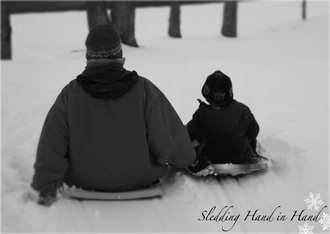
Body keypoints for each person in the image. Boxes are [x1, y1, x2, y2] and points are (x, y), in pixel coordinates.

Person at [31, 24, 196, 206]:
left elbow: (51, 143)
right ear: (118, 54)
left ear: (89, 56)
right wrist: (188, 155)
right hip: (139, 181)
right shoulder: (144, 91)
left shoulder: (70, 95)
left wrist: (46, 186)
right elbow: (178, 150)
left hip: (84, 181)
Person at [186, 70, 261, 176]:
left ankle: (198, 162)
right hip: (242, 156)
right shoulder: (243, 110)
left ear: (207, 96)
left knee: (193, 138)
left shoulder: (202, 114)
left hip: (212, 158)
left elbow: (188, 134)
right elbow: (254, 132)